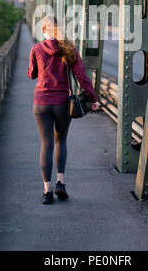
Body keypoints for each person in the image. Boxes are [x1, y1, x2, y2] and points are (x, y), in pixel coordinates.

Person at [27, 15, 101, 204]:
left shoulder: (36, 49)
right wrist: (93, 98)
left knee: (46, 145)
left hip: (41, 103)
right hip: (62, 103)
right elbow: (82, 77)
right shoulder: (68, 49)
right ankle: (61, 183)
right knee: (61, 141)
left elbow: (32, 74)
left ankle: (47, 191)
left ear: (43, 30)